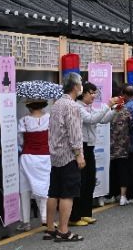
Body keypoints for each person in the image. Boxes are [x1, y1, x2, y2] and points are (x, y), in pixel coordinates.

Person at [44, 73, 85, 242]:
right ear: (75, 87)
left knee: (54, 191)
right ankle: (63, 230)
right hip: (68, 154)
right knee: (67, 193)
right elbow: (74, 133)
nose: (82, 86)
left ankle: (50, 228)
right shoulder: (72, 106)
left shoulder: (56, 105)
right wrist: (79, 154)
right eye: (81, 83)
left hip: (55, 153)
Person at [71, 82, 115, 227]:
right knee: (81, 182)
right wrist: (108, 105)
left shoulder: (88, 107)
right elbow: (91, 120)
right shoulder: (77, 107)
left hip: (89, 147)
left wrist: (115, 110)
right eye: (92, 93)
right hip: (80, 147)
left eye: (95, 93)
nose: (94, 96)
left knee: (89, 180)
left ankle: (85, 213)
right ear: (83, 93)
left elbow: (102, 119)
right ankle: (74, 216)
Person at [17, 99, 51, 231]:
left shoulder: (23, 120)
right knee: (44, 186)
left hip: (28, 157)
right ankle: (44, 216)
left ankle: (25, 221)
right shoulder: (49, 118)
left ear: (29, 106)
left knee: (25, 188)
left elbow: (20, 140)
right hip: (45, 157)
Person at [108, 91, 133, 208]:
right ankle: (123, 196)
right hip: (123, 147)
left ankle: (111, 195)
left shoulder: (109, 112)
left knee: (112, 171)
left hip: (110, 147)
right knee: (123, 171)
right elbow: (132, 127)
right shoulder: (126, 112)